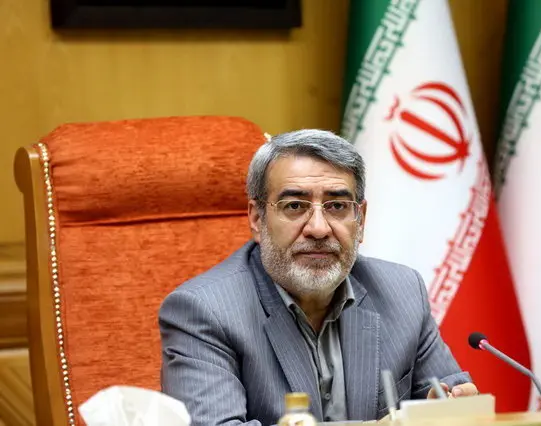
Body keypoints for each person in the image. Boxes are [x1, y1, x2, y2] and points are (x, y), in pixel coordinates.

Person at [159, 129, 478, 426]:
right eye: (294, 206)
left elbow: (448, 401)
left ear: (360, 219)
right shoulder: (203, 312)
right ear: (257, 219)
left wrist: (455, 406)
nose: (319, 228)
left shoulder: (402, 292)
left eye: (337, 206)